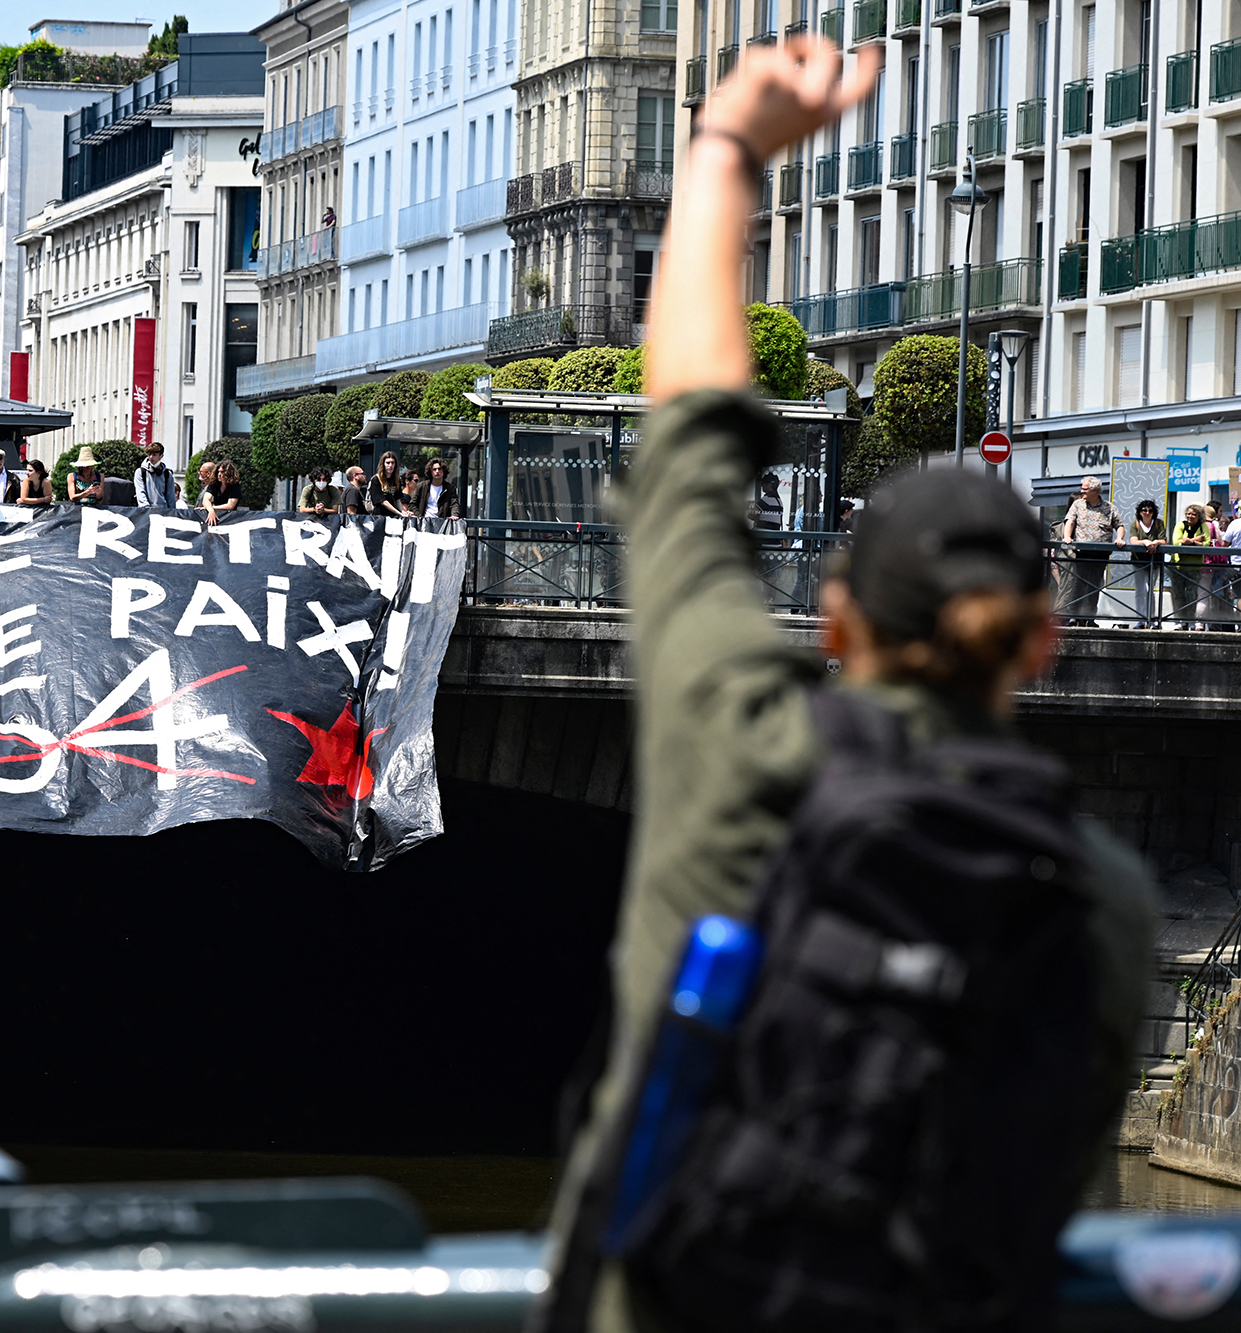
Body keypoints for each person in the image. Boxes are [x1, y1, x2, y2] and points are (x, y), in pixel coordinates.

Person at [533, 39, 1148, 1333]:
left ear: (833, 622)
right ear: (1041, 643)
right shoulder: (1102, 896)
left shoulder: (742, 757)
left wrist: (726, 155)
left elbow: (692, 449)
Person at [1058, 475, 1124, 626]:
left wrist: (1119, 538)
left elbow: (1119, 524)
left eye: (1085, 489)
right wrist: (1067, 537)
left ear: (1094, 490)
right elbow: (1070, 521)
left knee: (1094, 585)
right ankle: (1074, 616)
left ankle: (1089, 618)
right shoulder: (1078, 505)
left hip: (1101, 553)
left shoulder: (1109, 507)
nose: (1082, 491)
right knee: (1078, 583)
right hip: (1082, 551)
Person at [1173, 502, 1214, 631]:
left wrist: (1188, 541)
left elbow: (1207, 544)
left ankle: (1190, 620)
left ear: (1199, 516)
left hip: (1195, 566)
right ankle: (1179, 621)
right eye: (1188, 514)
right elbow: (1177, 542)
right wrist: (1195, 541)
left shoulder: (1203, 527)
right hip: (1178, 565)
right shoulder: (1181, 525)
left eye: (1193, 514)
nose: (1190, 516)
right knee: (1178, 594)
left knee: (1191, 595)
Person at [1128, 498, 1165, 629]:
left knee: (1150, 590)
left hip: (1154, 561)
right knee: (1140, 590)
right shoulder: (1135, 524)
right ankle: (1140, 620)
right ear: (1140, 512)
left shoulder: (1158, 523)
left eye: (1150, 510)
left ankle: (1152, 619)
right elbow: (1133, 541)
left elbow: (1164, 540)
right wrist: (1145, 542)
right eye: (1144, 510)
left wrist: (1155, 543)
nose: (1147, 512)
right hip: (1138, 560)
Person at [135, 442, 178, 508]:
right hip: (146, 512)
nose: (151, 457)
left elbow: (171, 497)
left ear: (161, 456)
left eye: (154, 455)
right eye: (149, 454)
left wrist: (172, 512)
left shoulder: (167, 474)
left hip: (163, 512)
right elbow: (140, 492)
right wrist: (146, 507)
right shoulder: (140, 472)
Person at [369, 451, 409, 517]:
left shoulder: (396, 480)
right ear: (383, 464)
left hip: (392, 516)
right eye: (388, 463)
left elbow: (398, 500)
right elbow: (383, 502)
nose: (390, 465)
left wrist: (404, 512)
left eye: (392, 463)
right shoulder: (376, 479)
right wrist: (399, 513)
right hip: (379, 516)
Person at [202, 459, 243, 524]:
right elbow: (206, 500)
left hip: (230, 518)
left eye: (222, 472)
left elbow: (230, 506)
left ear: (228, 473)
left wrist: (212, 508)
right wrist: (211, 510)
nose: (219, 474)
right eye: (218, 472)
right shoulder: (214, 483)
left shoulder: (234, 486)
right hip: (215, 515)